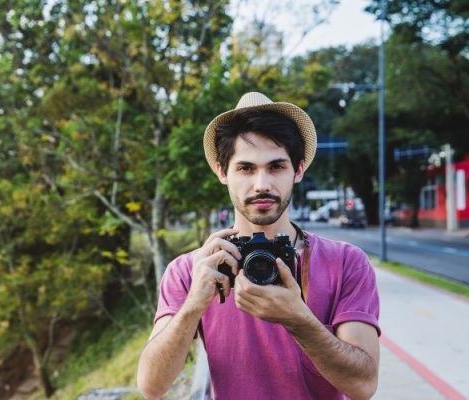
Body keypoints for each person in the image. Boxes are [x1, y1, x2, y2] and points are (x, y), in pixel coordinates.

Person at [136, 92, 380, 399]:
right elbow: (151, 386)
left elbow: (364, 385)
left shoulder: (346, 263)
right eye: (246, 168)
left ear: (299, 170)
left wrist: (299, 320)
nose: (262, 184)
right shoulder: (191, 270)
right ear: (222, 172)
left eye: (276, 166)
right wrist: (194, 304)